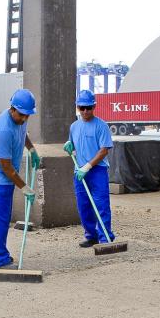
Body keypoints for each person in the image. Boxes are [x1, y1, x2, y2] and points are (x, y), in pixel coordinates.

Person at [0, 89, 41, 268]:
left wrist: (31, 149)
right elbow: (5, 167)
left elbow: (23, 134)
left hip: (4, 173)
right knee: (0, 218)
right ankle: (0, 259)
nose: (24, 119)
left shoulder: (21, 118)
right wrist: (24, 188)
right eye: (22, 115)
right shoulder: (3, 129)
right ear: (12, 109)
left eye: (27, 116)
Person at [64, 90, 115, 247]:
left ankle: (105, 238)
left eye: (88, 107)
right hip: (79, 172)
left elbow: (104, 150)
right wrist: (69, 146)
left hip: (97, 171)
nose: (85, 111)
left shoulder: (101, 126)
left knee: (101, 205)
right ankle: (91, 236)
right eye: (82, 108)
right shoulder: (74, 126)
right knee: (84, 206)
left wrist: (88, 166)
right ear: (78, 108)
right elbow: (73, 146)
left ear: (94, 106)